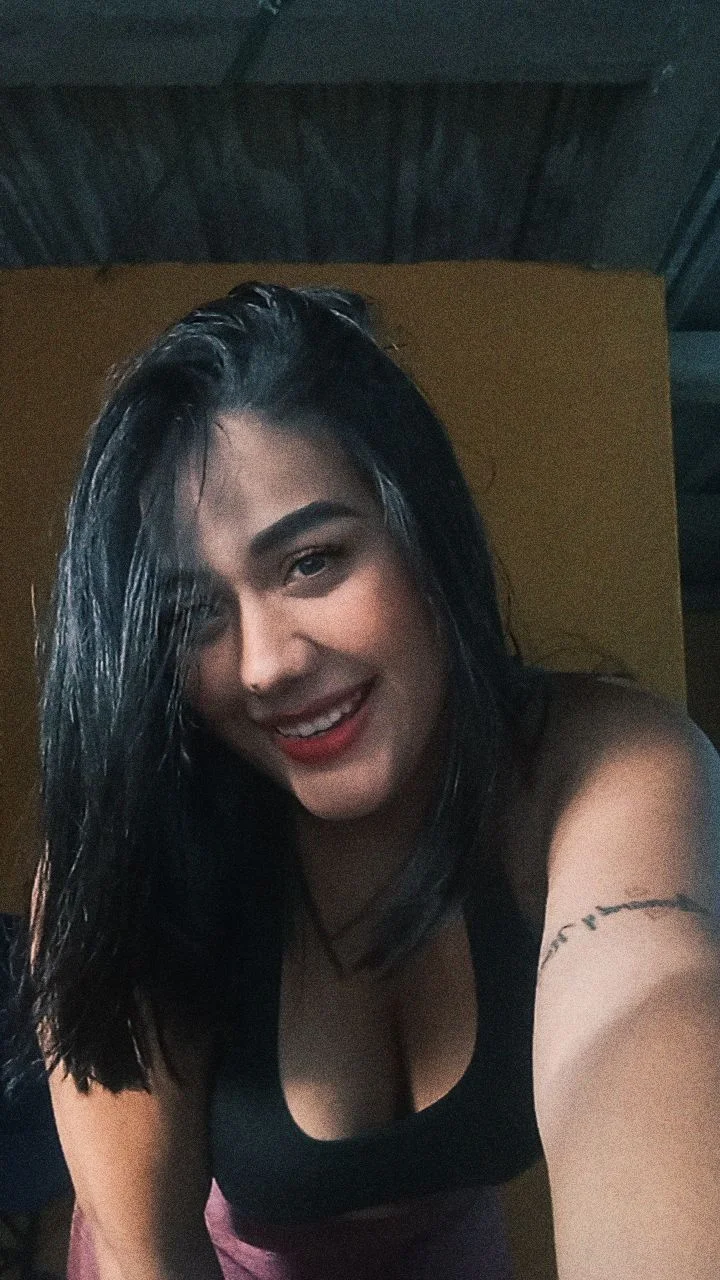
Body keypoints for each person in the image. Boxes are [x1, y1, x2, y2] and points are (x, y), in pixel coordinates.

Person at [23, 282, 720, 1280]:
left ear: (423, 529)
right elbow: (148, 1251)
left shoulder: (593, 768)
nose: (265, 665)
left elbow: (647, 999)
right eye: (193, 615)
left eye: (312, 561)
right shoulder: (136, 851)